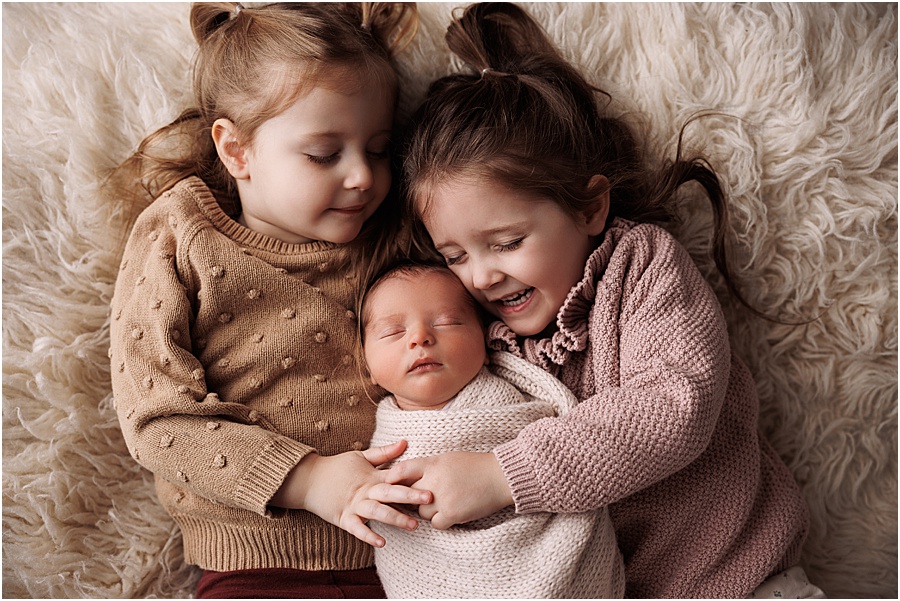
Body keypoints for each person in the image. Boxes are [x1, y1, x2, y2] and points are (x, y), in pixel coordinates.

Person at [388, 3, 825, 598]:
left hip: (737, 577)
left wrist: (501, 474)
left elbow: (675, 405)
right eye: (455, 256)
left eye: (507, 242)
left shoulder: (641, 269)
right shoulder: (481, 333)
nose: (483, 277)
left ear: (590, 206)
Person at [106, 3, 429, 598]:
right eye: (324, 154)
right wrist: (309, 481)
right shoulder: (181, 234)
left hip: (407, 553)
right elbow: (155, 419)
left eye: (379, 148)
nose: (362, 176)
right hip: (253, 559)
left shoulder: (393, 234)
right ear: (236, 151)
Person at [360, 263, 624, 598]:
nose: (420, 338)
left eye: (448, 322)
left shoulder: (513, 405)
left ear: (486, 346)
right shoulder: (381, 442)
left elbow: (568, 455)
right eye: (393, 333)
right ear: (368, 366)